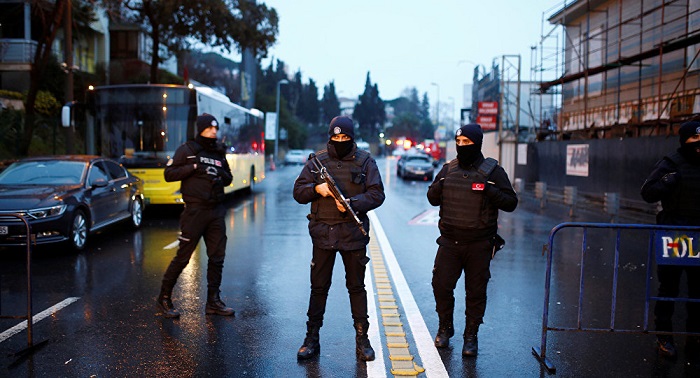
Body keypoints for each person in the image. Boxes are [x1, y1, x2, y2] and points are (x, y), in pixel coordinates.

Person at [293, 116, 385, 361]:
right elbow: (298, 192)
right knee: (319, 288)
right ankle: (311, 338)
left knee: (356, 287)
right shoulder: (317, 162)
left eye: (345, 137)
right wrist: (317, 189)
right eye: (336, 137)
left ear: (352, 137)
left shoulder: (365, 161)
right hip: (323, 233)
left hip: (353, 235)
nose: (340, 141)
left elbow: (377, 194)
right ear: (330, 137)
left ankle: (362, 339)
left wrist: (353, 203)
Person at [427, 123, 518, 356]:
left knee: (475, 292)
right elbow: (432, 198)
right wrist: (440, 186)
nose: (461, 146)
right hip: (449, 242)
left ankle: (471, 336)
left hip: (479, 244)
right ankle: (445, 328)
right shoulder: (448, 169)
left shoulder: (492, 171)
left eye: (466, 142)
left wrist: (490, 191)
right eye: (459, 142)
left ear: (477, 144)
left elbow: (511, 202)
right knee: (441, 286)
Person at [157, 113, 235, 318]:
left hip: (216, 211)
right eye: (210, 128)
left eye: (216, 129)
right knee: (183, 257)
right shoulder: (188, 150)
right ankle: (164, 298)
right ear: (200, 128)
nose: (214, 132)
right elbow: (169, 174)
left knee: (217, 257)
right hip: (195, 211)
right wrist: (193, 167)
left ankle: (213, 302)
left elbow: (229, 179)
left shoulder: (219, 151)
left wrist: (219, 176)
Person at [641, 120, 700, 359]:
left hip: (698, 234)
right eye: (694, 140)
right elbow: (647, 192)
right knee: (669, 289)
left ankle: (694, 338)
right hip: (674, 235)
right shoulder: (671, 163)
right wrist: (666, 182)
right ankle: (664, 338)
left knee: (698, 291)